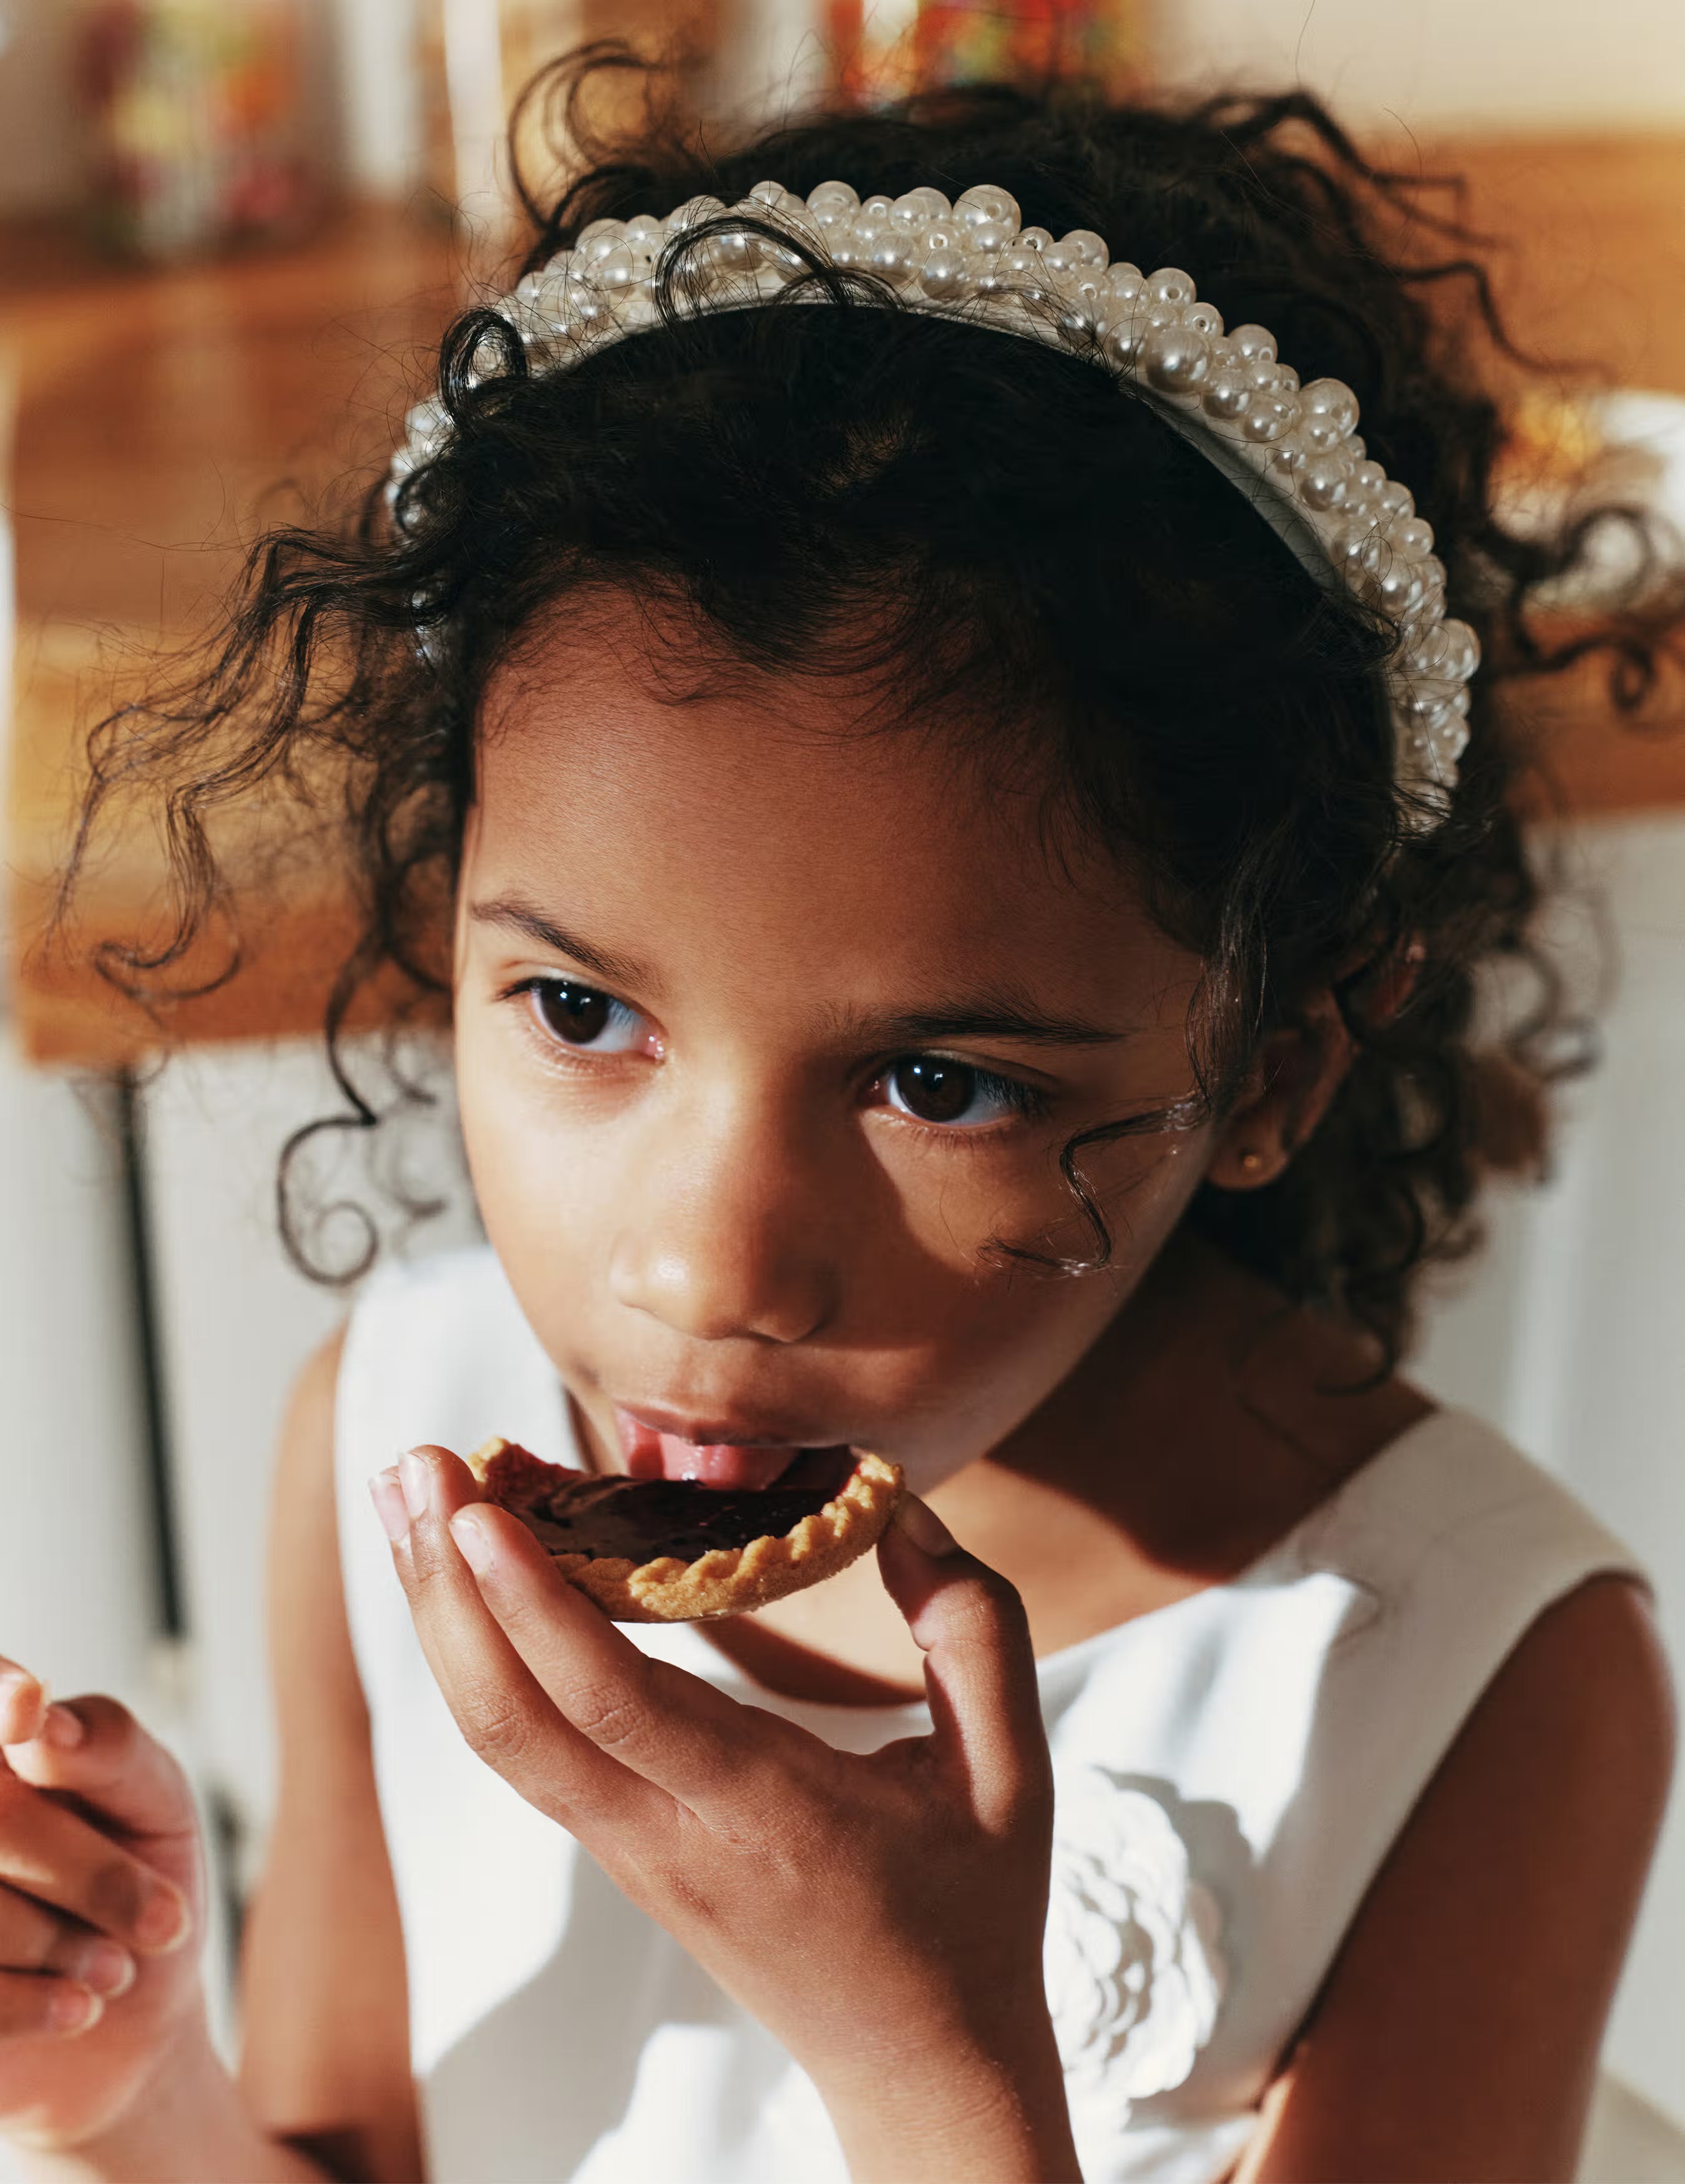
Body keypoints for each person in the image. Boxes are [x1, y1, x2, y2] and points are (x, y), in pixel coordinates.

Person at [1, 56, 1677, 2184]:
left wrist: (934, 2070)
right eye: (583, 1007)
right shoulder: (384, 1442)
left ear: (1268, 1070)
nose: (706, 1262)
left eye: (935, 1081)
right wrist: (131, 2085)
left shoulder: (1484, 1687)